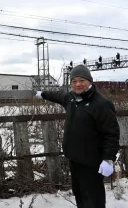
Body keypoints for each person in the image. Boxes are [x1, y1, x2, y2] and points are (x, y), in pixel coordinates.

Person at [35, 64, 120, 208]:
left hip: (91, 162)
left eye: (81, 80)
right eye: (74, 81)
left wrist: (108, 158)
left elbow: (111, 133)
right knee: (79, 194)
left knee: (93, 198)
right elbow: (58, 96)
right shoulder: (71, 98)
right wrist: (43, 94)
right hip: (74, 158)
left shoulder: (101, 104)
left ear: (89, 81)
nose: (78, 84)